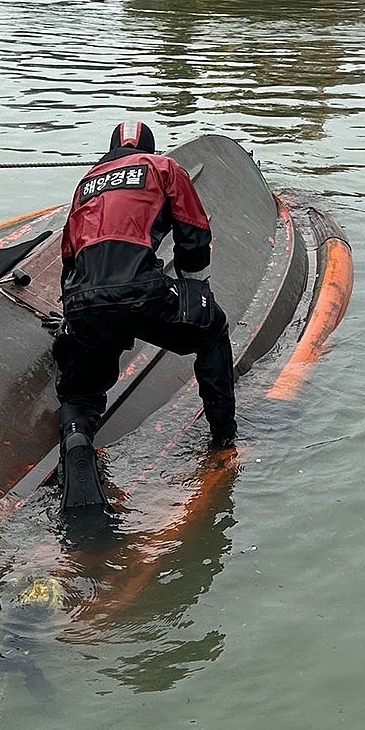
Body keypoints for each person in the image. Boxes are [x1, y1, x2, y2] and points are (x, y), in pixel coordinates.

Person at [51, 122, 236, 509]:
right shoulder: (164, 168)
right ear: (149, 148)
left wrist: (72, 322)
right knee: (212, 330)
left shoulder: (85, 184)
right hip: (142, 292)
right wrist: (195, 292)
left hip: (83, 300)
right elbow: (194, 234)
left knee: (80, 393)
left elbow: (68, 259)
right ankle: (223, 437)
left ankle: (76, 438)